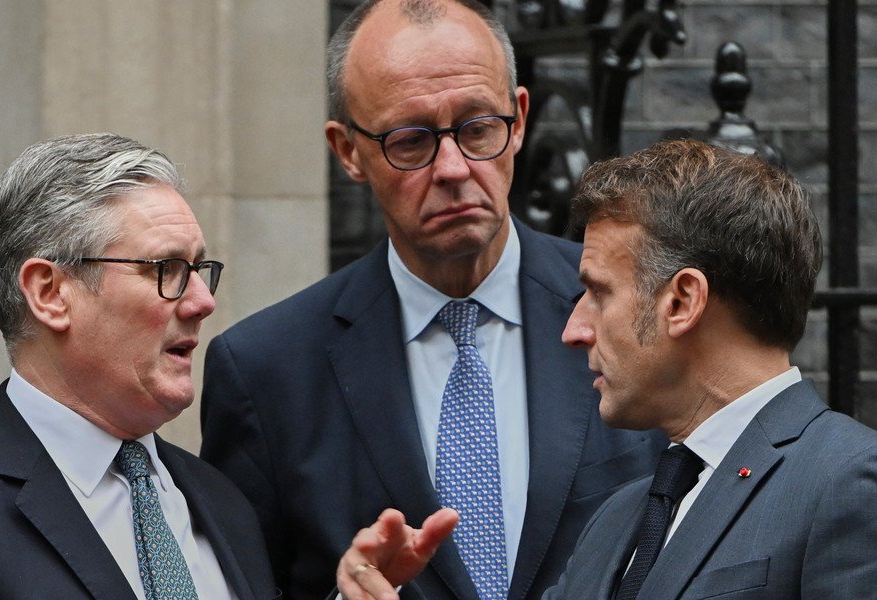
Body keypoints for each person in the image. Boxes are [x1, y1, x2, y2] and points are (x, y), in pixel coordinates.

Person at [339, 139, 877, 600]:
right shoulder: (620, 518)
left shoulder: (858, 487)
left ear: (682, 301)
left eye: (598, 292)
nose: (573, 329)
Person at [200, 1, 657, 598]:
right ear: (347, 151)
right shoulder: (266, 371)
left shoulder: (635, 308)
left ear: (519, 119)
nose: (453, 168)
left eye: (478, 129)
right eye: (411, 141)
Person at [0, 133, 279, 599]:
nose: (202, 301)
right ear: (50, 294)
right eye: (166, 269)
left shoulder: (224, 503)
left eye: (199, 269)